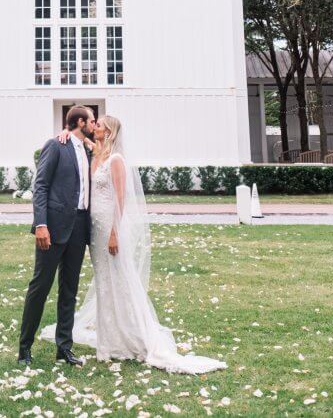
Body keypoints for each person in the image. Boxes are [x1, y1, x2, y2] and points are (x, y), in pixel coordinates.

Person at [40, 114, 227, 375]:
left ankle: (130, 336)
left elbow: (121, 200)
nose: (96, 127)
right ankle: (109, 340)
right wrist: (63, 132)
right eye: (93, 123)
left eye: (100, 125)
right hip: (93, 231)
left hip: (109, 228)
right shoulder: (95, 153)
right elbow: (73, 139)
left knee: (119, 279)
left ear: (110, 132)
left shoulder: (116, 160)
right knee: (104, 282)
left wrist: (115, 232)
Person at [17, 105, 96, 367]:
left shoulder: (88, 149)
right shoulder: (55, 145)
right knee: (40, 286)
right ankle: (24, 347)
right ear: (81, 122)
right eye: (92, 122)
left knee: (69, 290)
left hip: (80, 227)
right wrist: (41, 224)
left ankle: (64, 348)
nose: (95, 126)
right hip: (52, 227)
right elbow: (40, 186)